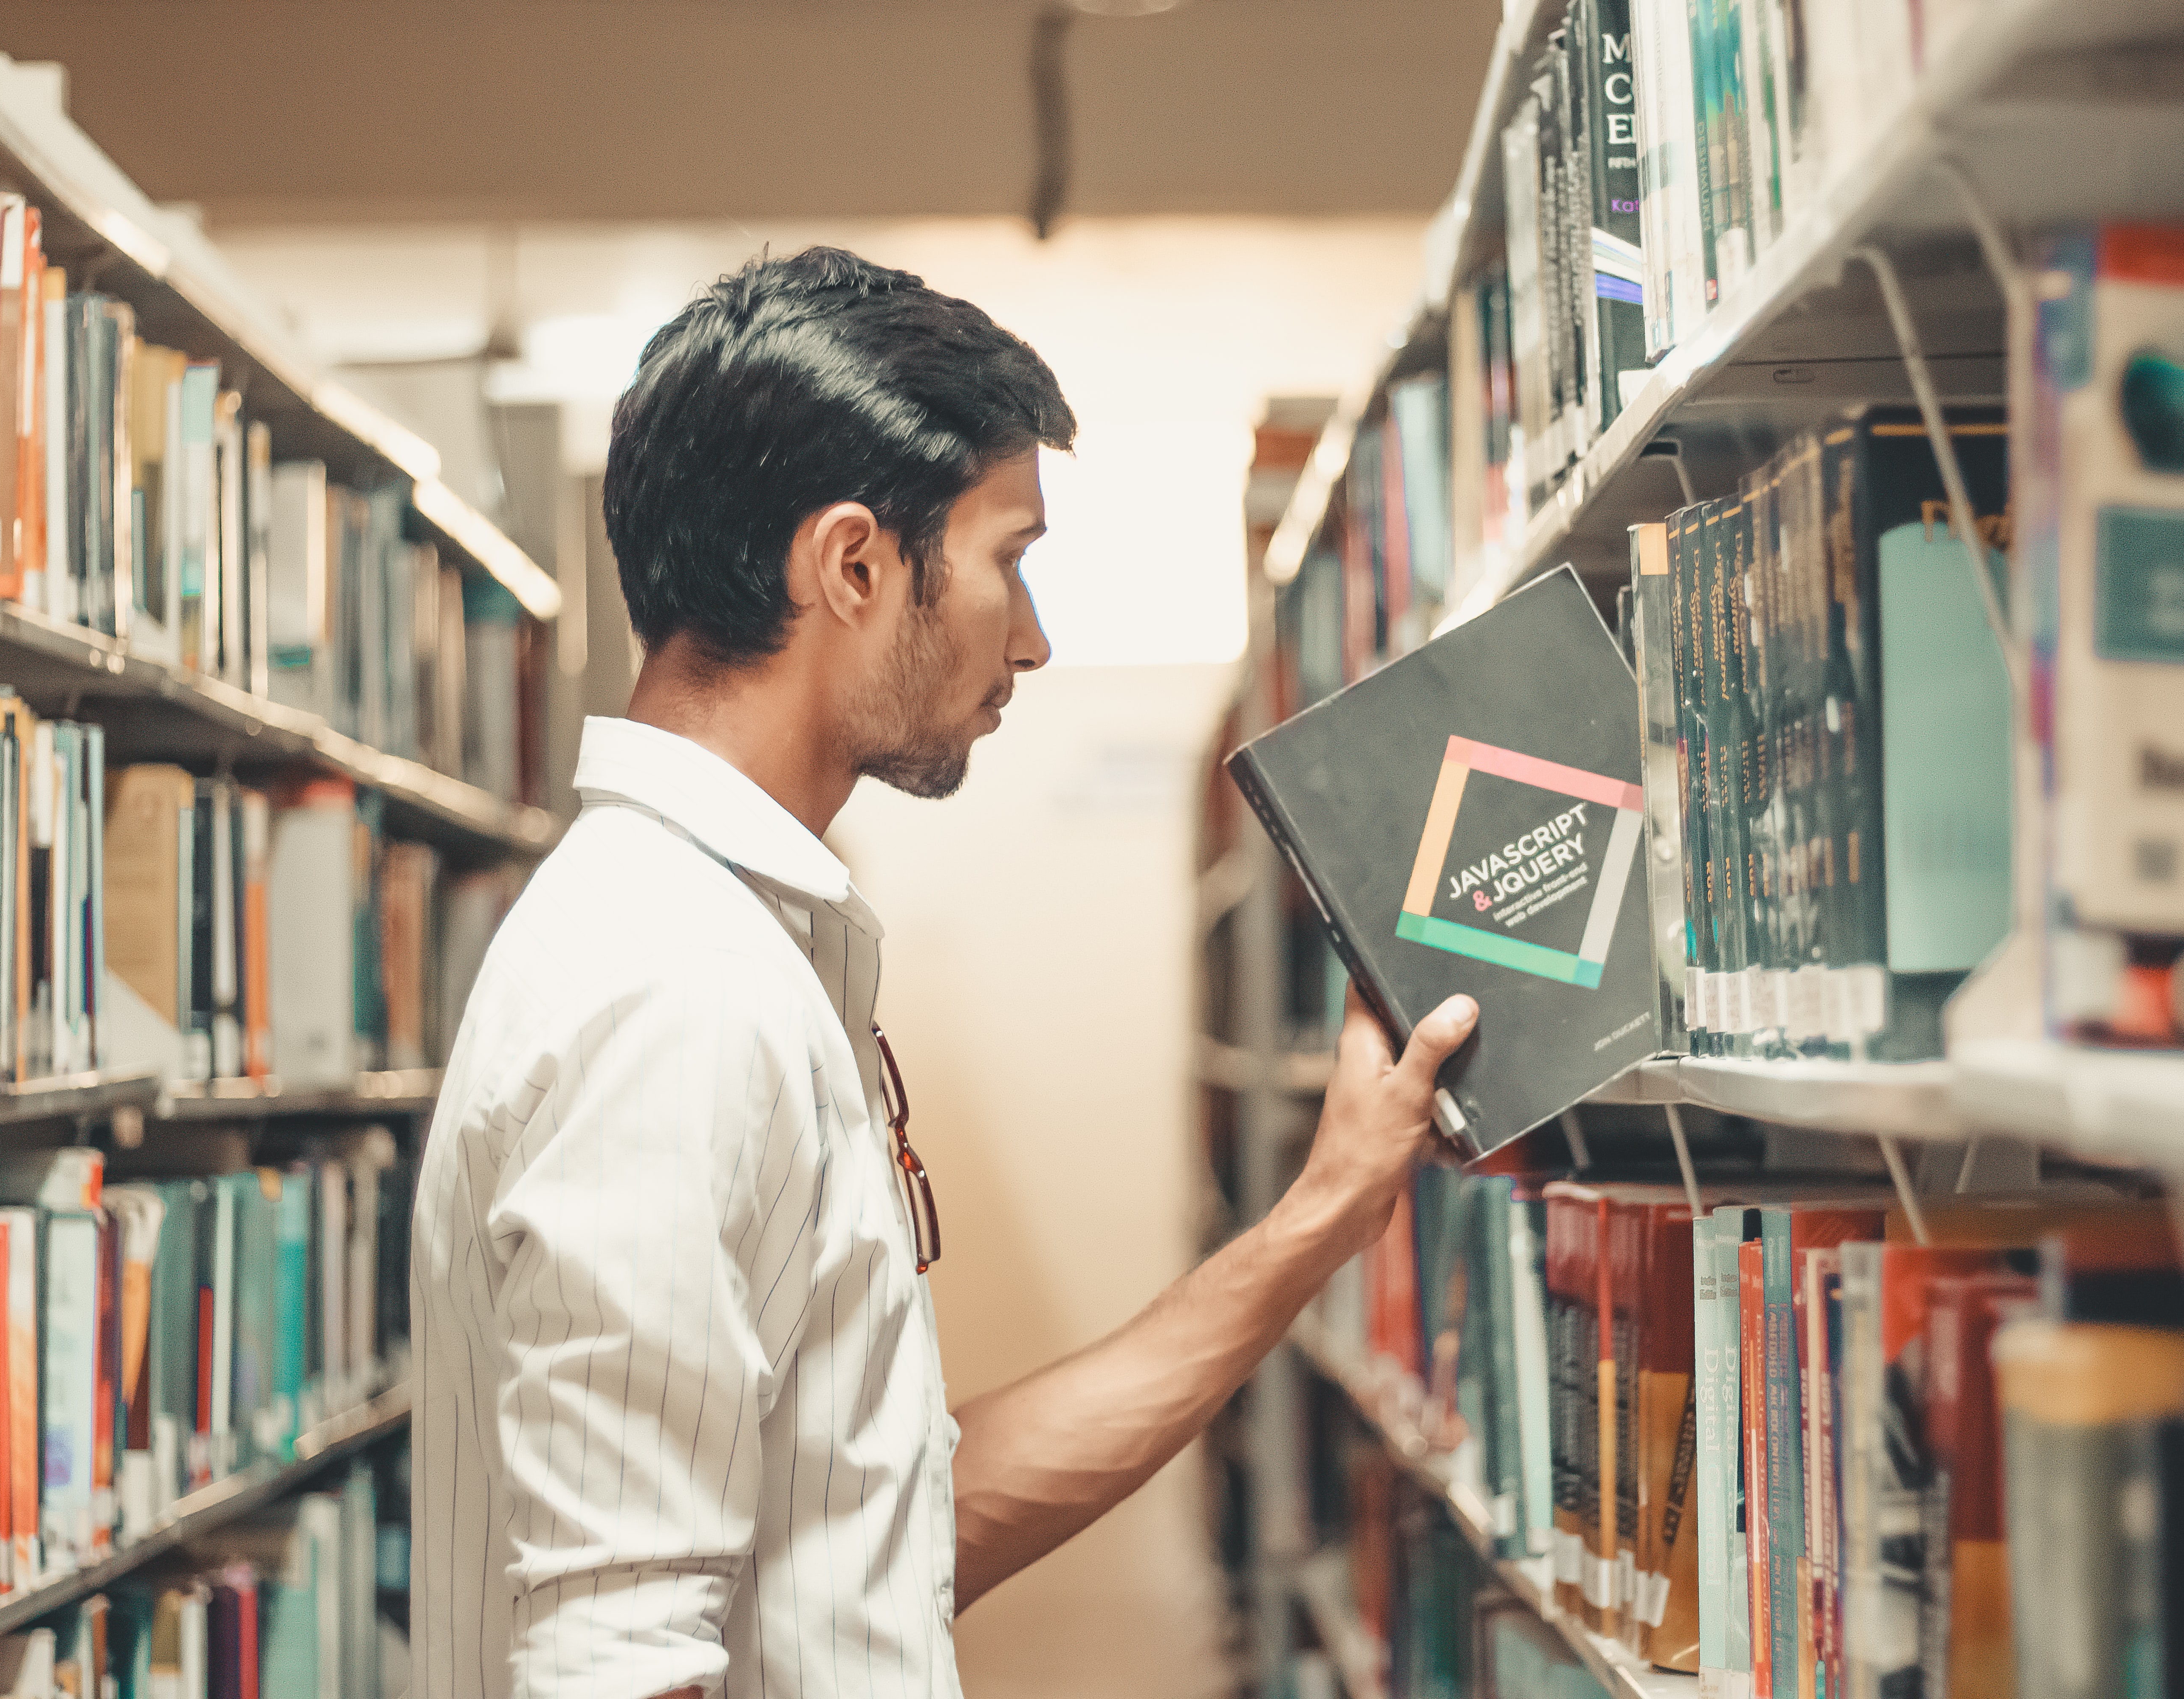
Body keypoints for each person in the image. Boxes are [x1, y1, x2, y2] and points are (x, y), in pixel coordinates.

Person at [411, 246, 1478, 1699]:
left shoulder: (729, 944)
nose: (1031, 640)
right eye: (1009, 561)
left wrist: (1328, 1208)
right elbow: (617, 1661)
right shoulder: (670, 990)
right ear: (851, 564)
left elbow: (888, 1532)